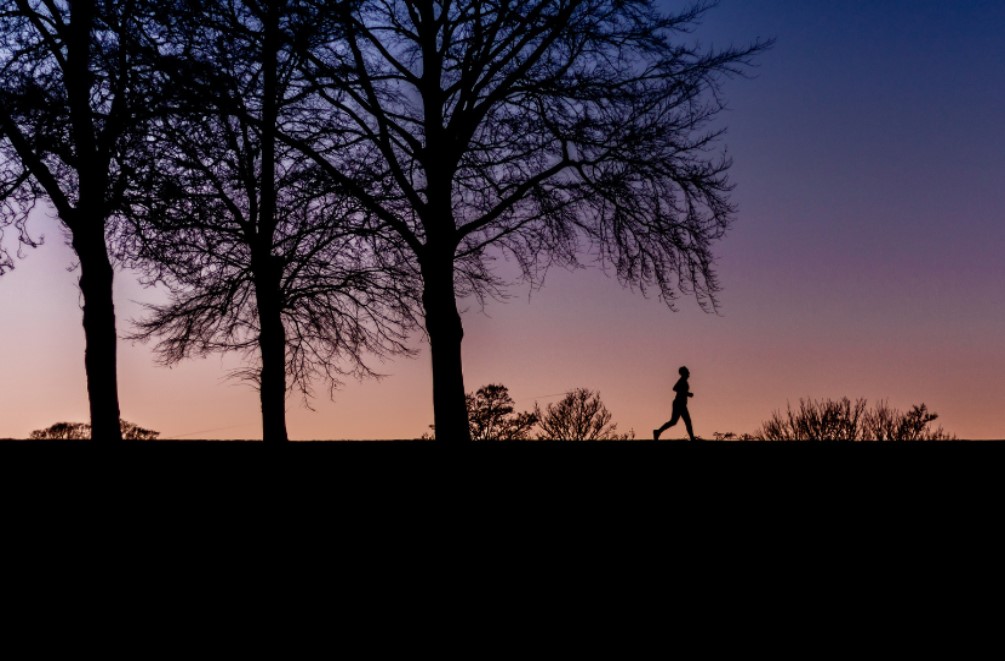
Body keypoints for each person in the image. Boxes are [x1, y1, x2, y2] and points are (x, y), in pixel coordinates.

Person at [654, 366, 697, 441]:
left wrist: (686, 394)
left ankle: (657, 432)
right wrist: (687, 394)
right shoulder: (682, 380)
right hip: (679, 403)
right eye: (687, 371)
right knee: (686, 421)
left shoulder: (683, 380)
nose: (689, 373)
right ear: (684, 373)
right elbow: (675, 388)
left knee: (674, 421)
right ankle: (692, 438)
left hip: (681, 403)